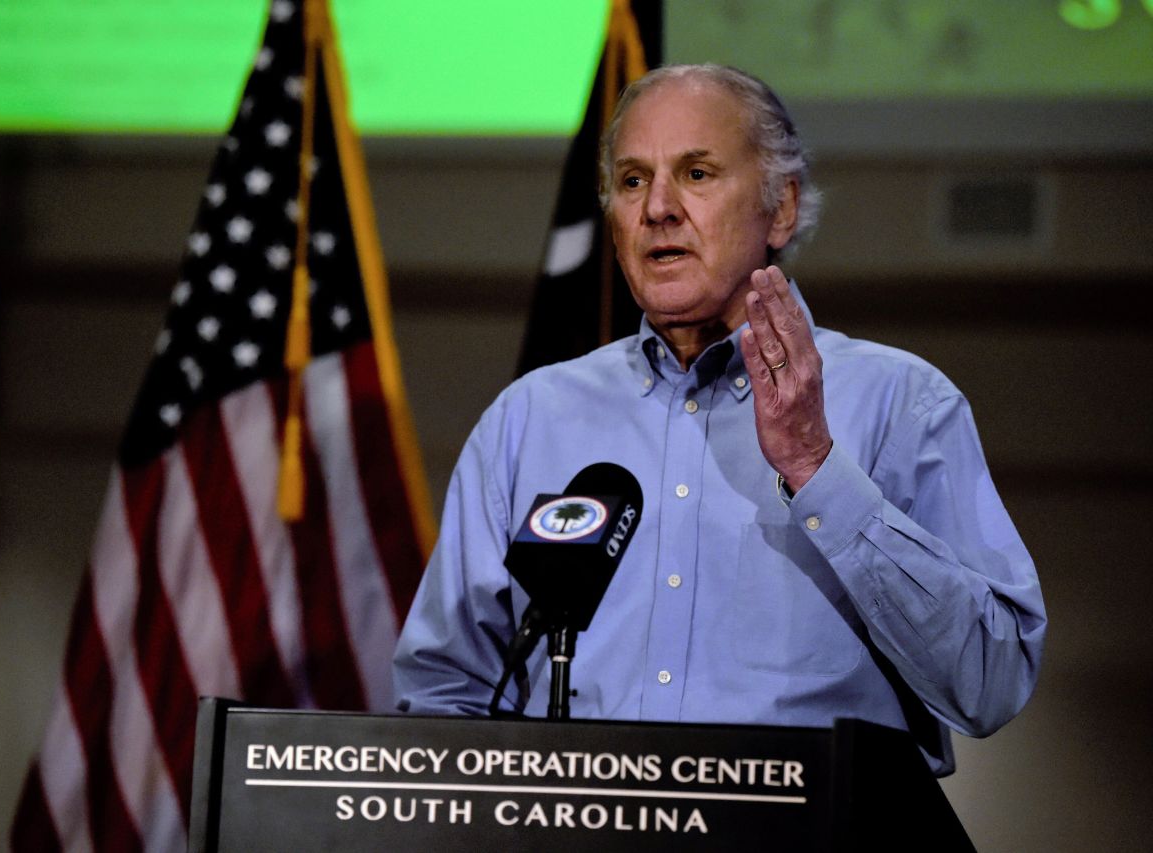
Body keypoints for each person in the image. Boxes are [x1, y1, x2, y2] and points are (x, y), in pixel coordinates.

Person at [392, 64, 1046, 774]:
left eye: (697, 174)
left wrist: (817, 468)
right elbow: (443, 689)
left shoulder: (902, 403)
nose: (659, 208)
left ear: (783, 207)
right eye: (634, 180)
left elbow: (992, 680)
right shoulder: (529, 419)